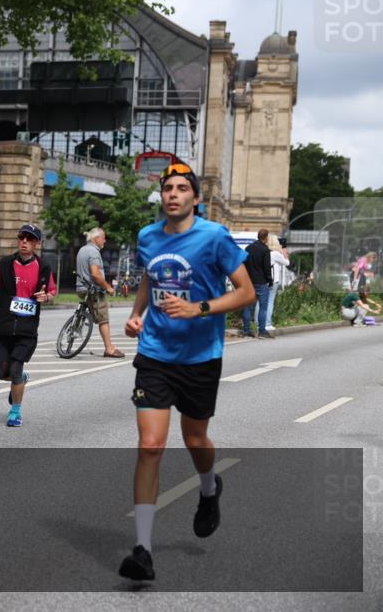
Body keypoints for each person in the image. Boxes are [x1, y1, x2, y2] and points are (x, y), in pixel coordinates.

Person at [119, 163, 255, 581]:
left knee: (194, 438)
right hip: (156, 353)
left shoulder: (214, 237)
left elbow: (246, 293)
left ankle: (209, 488)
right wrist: (137, 313)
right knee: (150, 446)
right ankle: (142, 550)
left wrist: (200, 308)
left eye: (181, 188)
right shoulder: (148, 236)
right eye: (167, 188)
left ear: (195, 197)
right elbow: (150, 274)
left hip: (200, 357)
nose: (173, 194)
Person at [0, 224, 55, 427]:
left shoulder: (44, 267)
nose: (24, 241)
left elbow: (51, 291)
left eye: (29, 239)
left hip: (26, 329)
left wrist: (45, 297)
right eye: (21, 237)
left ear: (36, 244)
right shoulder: (5, 264)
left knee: (14, 367)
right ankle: (20, 379)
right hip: (4, 326)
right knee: (1, 372)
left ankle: (15, 412)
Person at [75, 227, 125, 358]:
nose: (105, 240)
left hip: (81, 288)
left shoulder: (82, 250)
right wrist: (108, 287)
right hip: (94, 291)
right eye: (103, 237)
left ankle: (75, 326)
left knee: (95, 315)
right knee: (103, 319)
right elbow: (96, 275)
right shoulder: (93, 252)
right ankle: (109, 349)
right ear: (96, 239)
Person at [241, 229, 273, 339]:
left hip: (248, 281)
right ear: (266, 238)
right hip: (261, 282)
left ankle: (246, 331)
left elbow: (243, 265)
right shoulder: (265, 250)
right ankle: (262, 331)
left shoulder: (248, 248)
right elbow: (267, 268)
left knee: (247, 307)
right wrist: (270, 281)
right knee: (263, 308)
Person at [265, 234, 290, 332]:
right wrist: (284, 248)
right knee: (270, 301)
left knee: (261, 302)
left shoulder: (265, 252)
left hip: (263, 279)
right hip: (273, 280)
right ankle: (267, 323)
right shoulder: (275, 254)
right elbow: (287, 262)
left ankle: (259, 323)